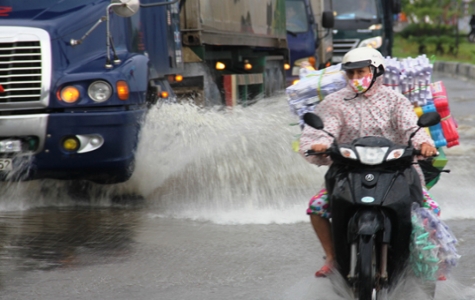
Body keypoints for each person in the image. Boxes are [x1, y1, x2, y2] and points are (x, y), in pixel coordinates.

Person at [298, 47, 439, 278]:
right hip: (348, 171)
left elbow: (412, 128)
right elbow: (327, 128)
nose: (355, 78)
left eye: (360, 72)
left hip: (396, 170)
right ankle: (333, 256)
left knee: (430, 210)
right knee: (317, 206)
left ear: (376, 71)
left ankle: (426, 260)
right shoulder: (335, 102)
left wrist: (424, 143)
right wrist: (321, 144)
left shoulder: (396, 101)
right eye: (350, 74)